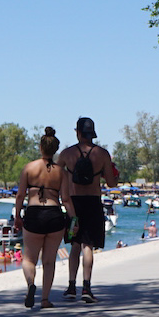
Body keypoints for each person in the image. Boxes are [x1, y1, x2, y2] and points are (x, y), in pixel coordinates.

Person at [57, 116, 118, 303]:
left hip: (73, 202)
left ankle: (70, 286)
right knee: (88, 246)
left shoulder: (66, 154)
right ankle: (87, 287)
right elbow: (111, 182)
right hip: (93, 201)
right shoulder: (102, 154)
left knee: (75, 245)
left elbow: (56, 178)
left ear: (77, 132)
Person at [14, 126, 72, 309]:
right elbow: (67, 200)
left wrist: (17, 216)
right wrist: (74, 220)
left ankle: (31, 283)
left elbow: (20, 196)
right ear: (55, 150)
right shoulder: (61, 172)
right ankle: (45, 299)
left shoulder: (28, 168)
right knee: (49, 261)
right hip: (55, 215)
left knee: (29, 259)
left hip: (34, 214)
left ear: (40, 147)